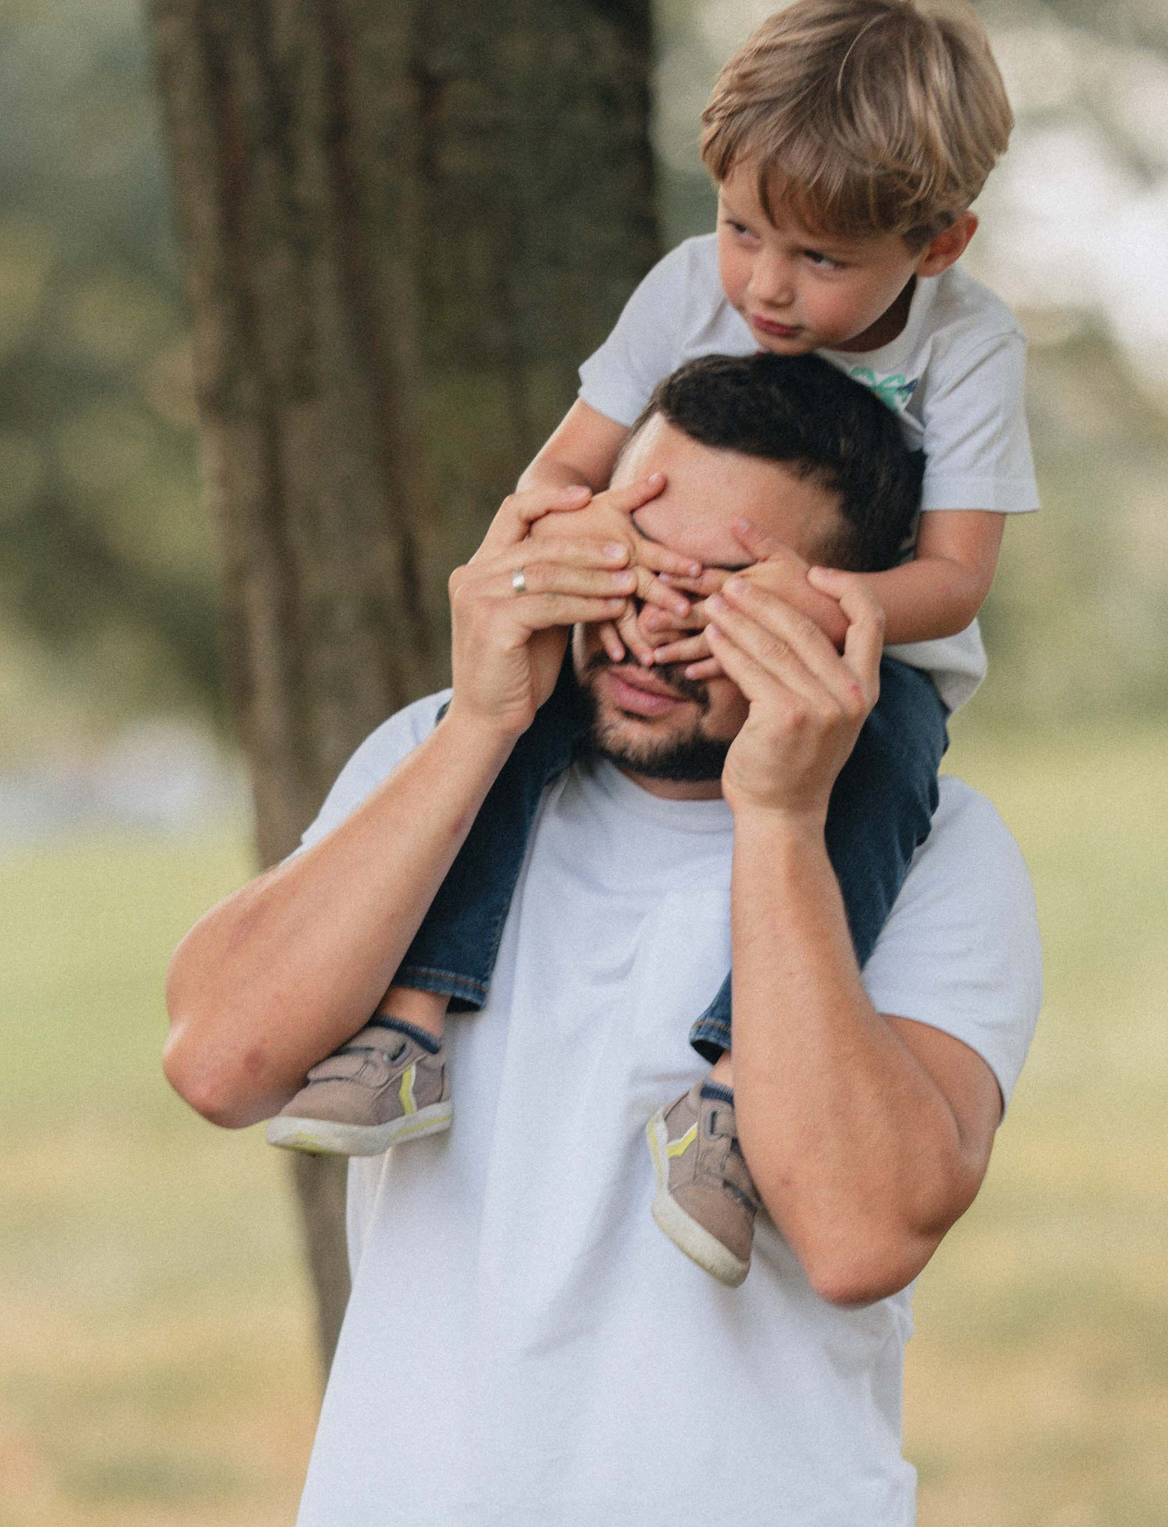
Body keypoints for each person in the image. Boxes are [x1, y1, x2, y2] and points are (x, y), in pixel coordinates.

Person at [163, 352, 1041, 1522]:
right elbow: (219, 1062)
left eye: (731, 585)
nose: (656, 619)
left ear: (846, 609)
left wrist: (780, 817)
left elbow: (861, 1233)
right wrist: (481, 719)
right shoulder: (437, 760)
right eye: (636, 557)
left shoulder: (941, 851)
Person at [259, 0, 1042, 1285]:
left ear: (941, 246)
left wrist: (812, 609)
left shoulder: (972, 344)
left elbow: (956, 576)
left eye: (820, 261)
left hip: (865, 653)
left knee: (884, 768)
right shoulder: (691, 288)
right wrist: (599, 558)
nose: (767, 289)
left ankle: (733, 1095)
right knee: (517, 719)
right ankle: (407, 1024)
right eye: (744, 231)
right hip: (655, 607)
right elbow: (559, 476)